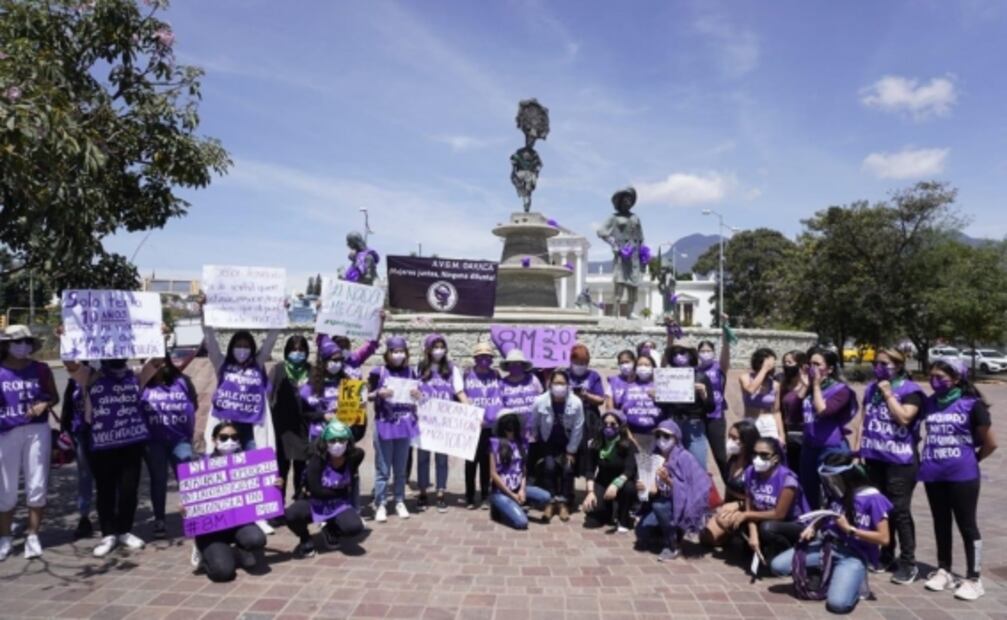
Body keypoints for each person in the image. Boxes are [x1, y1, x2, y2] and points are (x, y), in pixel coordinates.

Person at [771, 454, 893, 615]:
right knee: (778, 566)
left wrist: (850, 529)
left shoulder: (873, 498)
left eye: (833, 478)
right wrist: (813, 527)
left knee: (838, 605)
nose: (830, 483)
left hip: (853, 555)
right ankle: (824, 573)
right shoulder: (838, 492)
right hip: (827, 546)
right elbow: (828, 513)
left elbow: (884, 539)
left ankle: (852, 582)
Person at [918, 359, 997, 601]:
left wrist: (970, 461)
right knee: (940, 522)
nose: (934, 382)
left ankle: (974, 578)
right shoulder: (930, 403)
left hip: (963, 475)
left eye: (941, 377)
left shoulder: (972, 405)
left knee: (967, 525)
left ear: (957, 378)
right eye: (932, 377)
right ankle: (944, 569)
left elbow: (990, 443)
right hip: (933, 473)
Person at [66, 357, 151, 557]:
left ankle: (124, 530)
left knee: (129, 489)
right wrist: (66, 339)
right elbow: (70, 365)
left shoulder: (135, 374)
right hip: (101, 444)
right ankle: (108, 533)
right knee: (105, 490)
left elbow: (155, 362)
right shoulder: (90, 375)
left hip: (131, 443)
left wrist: (160, 338)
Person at [852, 349, 925, 584]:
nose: (878, 367)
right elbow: (864, 420)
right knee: (880, 509)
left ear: (898, 365)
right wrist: (858, 448)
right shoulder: (871, 389)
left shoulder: (910, 391)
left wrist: (888, 394)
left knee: (900, 511)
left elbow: (904, 417)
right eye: (876, 363)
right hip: (875, 457)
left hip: (900, 461)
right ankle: (886, 553)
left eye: (884, 363)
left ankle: (908, 562)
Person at [0, 325, 59, 561]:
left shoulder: (41, 369)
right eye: (17, 341)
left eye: (26, 341)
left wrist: (45, 405)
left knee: (37, 483)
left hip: (37, 430)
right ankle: (4, 537)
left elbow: (53, 396)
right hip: (6, 432)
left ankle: (33, 534)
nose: (22, 345)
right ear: (5, 344)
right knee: (6, 487)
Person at [200, 295, 281, 452]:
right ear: (232, 347)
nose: (242, 349)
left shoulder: (257, 364)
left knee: (255, 467)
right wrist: (203, 312)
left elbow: (270, 341)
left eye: (246, 346)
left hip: (251, 427)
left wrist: (280, 312)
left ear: (252, 349)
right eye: (238, 345)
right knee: (227, 468)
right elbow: (210, 341)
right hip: (228, 427)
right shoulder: (222, 364)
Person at [190, 422, 270, 581]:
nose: (230, 441)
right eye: (224, 437)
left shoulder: (248, 463)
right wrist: (186, 508)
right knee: (223, 572)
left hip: (239, 523)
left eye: (234, 437)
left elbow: (258, 491)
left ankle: (243, 549)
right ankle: (204, 550)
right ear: (214, 440)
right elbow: (192, 498)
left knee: (257, 539)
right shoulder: (200, 465)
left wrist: (272, 485)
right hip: (212, 529)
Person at [285, 420, 366, 557]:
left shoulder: (353, 457)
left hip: (338, 504)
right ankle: (305, 538)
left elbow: (360, 453)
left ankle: (331, 527)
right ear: (325, 441)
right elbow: (317, 490)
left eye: (342, 440)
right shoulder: (317, 460)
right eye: (332, 440)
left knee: (354, 527)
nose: (337, 444)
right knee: (291, 514)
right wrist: (341, 491)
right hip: (314, 501)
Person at [635, 420, 711, 561]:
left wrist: (668, 481)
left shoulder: (685, 458)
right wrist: (642, 488)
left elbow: (690, 490)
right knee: (641, 532)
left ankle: (673, 544)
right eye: (658, 436)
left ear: (676, 438)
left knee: (660, 507)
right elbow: (650, 491)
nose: (661, 440)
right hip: (662, 502)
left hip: (680, 507)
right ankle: (665, 533)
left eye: (666, 436)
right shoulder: (653, 457)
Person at [141, 354, 198, 539]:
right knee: (158, 480)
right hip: (153, 441)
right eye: (154, 362)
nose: (159, 365)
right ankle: (159, 520)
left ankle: (194, 514)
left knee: (188, 476)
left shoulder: (183, 381)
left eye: (162, 360)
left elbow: (193, 404)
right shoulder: (142, 384)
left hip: (180, 439)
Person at [368, 336, 419, 522]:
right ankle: (380, 503)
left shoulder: (411, 373)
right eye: (394, 351)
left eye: (401, 351)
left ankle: (399, 500)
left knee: (400, 469)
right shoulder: (378, 372)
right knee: (383, 469)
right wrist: (378, 393)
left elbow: (419, 396)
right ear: (388, 353)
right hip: (384, 425)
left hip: (404, 425)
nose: (398, 355)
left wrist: (417, 395)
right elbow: (366, 394)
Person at [800, 347, 857, 509]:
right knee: (808, 491)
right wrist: (805, 387)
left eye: (817, 364)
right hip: (809, 447)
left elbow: (824, 411)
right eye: (810, 364)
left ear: (830, 369)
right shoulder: (809, 389)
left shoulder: (840, 390)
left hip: (831, 449)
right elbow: (792, 411)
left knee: (834, 494)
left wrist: (816, 386)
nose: (812, 368)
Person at [415, 334, 467, 513]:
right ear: (428, 349)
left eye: (441, 347)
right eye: (435, 347)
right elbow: (411, 389)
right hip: (424, 422)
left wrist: (471, 412)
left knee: (442, 460)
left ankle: (440, 493)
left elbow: (459, 392)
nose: (438, 350)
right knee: (422, 458)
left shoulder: (452, 369)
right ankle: (422, 492)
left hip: (444, 423)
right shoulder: (420, 368)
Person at [736, 437, 808, 564]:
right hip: (763, 517)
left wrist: (746, 515)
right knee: (735, 520)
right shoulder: (750, 472)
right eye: (755, 454)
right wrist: (753, 534)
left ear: (776, 458)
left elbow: (778, 514)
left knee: (767, 528)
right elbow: (750, 507)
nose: (757, 459)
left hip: (793, 524)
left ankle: (787, 551)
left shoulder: (787, 480)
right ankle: (760, 547)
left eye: (764, 455)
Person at [675, 321, 730, 483]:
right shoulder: (694, 371)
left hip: (715, 416)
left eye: (709, 350)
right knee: (696, 455)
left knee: (720, 455)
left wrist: (725, 331)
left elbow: (726, 353)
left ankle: (732, 490)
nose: (706, 353)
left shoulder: (719, 368)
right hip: (697, 417)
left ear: (714, 352)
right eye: (702, 350)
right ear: (697, 354)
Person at [531, 369, 584, 522]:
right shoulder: (540, 401)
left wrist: (571, 450)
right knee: (549, 468)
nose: (559, 386)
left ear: (568, 385)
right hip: (548, 442)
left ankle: (564, 503)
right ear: (550, 384)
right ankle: (550, 502)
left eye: (562, 383)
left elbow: (578, 428)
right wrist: (535, 439)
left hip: (568, 443)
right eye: (556, 383)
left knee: (568, 469)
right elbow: (534, 421)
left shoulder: (576, 402)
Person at [488, 411, 552, 530]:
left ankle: (516, 504)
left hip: (518, 488)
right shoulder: (494, 443)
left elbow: (523, 470)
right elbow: (493, 474)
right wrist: (512, 494)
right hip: (501, 491)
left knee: (546, 497)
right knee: (521, 523)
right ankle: (499, 507)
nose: (511, 430)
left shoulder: (521, 443)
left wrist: (522, 490)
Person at [701, 419, 760, 546]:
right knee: (706, 537)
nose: (730, 441)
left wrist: (739, 504)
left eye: (734, 438)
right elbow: (728, 488)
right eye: (729, 437)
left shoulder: (755, 467)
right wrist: (723, 506)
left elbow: (758, 497)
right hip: (731, 504)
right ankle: (731, 535)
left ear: (746, 441)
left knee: (722, 524)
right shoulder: (732, 461)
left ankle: (740, 535)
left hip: (749, 507)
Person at [268, 335, 312, 504]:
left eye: (301, 349)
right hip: (281, 428)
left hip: (303, 428)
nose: (297, 353)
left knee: (301, 469)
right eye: (294, 349)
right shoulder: (278, 369)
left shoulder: (311, 370)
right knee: (281, 469)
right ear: (287, 351)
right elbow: (267, 393)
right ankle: (278, 506)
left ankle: (299, 505)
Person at [659, 345, 716, 471]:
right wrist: (656, 397)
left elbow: (711, 407)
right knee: (672, 466)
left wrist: (703, 394)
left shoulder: (701, 376)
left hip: (694, 426)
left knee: (698, 466)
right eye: (674, 354)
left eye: (682, 353)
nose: (678, 357)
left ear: (690, 355)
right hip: (673, 424)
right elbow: (663, 406)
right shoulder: (666, 376)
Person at [581, 411, 638, 533]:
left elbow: (630, 470)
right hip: (603, 481)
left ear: (620, 426)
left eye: (613, 424)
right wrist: (590, 492)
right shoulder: (596, 443)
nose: (608, 427)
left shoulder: (629, 444)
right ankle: (607, 511)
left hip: (622, 482)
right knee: (592, 522)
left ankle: (623, 517)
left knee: (629, 488)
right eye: (605, 424)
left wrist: (615, 484)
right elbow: (590, 470)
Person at [463, 342, 504, 510]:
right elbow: (460, 396)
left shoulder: (496, 375)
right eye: (481, 357)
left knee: (487, 463)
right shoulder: (467, 375)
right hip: (472, 426)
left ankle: (486, 495)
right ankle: (470, 496)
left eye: (488, 357)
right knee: (470, 463)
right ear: (475, 358)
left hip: (490, 426)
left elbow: (501, 395)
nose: (484, 360)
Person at [60, 373, 94, 539]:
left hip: (105, 434)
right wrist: (66, 432)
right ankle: (84, 516)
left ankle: (188, 526)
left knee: (109, 476)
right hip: (81, 434)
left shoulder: (106, 377)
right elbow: (68, 409)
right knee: (85, 476)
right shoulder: (74, 382)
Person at [568, 345, 607, 489]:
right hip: (569, 417)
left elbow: (601, 399)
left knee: (590, 452)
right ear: (571, 361)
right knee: (570, 451)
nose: (580, 366)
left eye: (583, 363)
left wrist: (586, 395)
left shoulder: (594, 376)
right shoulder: (564, 374)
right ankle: (568, 490)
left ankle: (589, 489)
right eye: (577, 362)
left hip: (589, 417)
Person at [612, 353, 664, 455]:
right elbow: (621, 412)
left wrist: (660, 397)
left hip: (656, 437)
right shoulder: (628, 387)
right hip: (632, 436)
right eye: (640, 365)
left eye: (647, 365)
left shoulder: (661, 386)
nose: (643, 367)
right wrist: (629, 435)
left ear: (653, 368)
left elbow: (669, 410)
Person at [498, 349, 543, 449]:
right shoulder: (501, 384)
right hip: (513, 434)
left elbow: (542, 401)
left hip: (534, 432)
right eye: (512, 364)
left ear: (523, 365)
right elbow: (500, 409)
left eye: (517, 363)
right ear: (508, 366)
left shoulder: (533, 379)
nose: (515, 366)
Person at [740, 348, 785, 441]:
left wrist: (782, 435)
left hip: (768, 423)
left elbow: (776, 411)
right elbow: (751, 389)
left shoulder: (775, 384)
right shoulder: (745, 377)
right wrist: (764, 369)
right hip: (750, 421)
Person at [776, 350, 808, 471]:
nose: (786, 365)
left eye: (790, 362)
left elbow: (798, 405)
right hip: (787, 433)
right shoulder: (782, 384)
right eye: (784, 362)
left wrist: (806, 386)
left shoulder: (810, 385)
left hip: (803, 434)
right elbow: (777, 409)